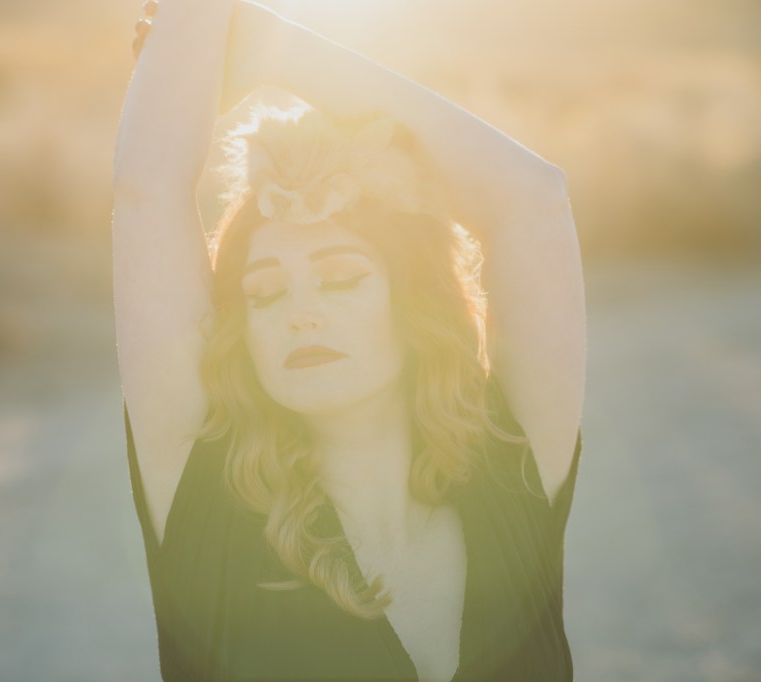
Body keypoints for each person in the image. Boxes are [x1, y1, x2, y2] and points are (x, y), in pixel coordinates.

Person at [113, 1, 586, 680]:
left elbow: (532, 197)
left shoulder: (511, 469)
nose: (300, 314)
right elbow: (147, 190)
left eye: (341, 280)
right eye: (265, 294)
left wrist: (269, 46)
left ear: (413, 305)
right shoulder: (208, 500)